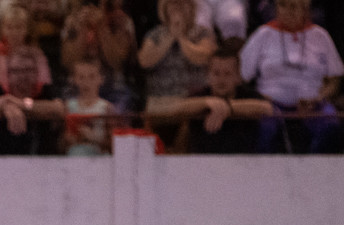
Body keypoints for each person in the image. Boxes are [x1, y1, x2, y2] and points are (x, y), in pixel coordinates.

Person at [240, 0, 342, 154]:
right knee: (264, 128)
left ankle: (314, 171)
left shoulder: (320, 36)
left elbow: (334, 79)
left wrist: (319, 98)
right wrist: (260, 98)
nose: (288, 11)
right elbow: (242, 77)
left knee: (331, 125)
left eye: (294, 6)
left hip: (313, 104)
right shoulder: (263, 34)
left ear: (305, 8)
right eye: (283, 5)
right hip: (270, 104)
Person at [0, 46, 65, 155]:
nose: (22, 76)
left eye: (28, 70)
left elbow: (59, 109)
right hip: (2, 160)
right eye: (16, 71)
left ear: (37, 72)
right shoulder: (0, 91)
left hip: (43, 161)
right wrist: (5, 106)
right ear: (8, 74)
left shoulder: (46, 90)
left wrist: (22, 104)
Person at [174, 45, 272, 153]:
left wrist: (228, 107)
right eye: (216, 73)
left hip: (243, 163)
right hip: (202, 163)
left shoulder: (249, 95)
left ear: (238, 77)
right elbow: (178, 107)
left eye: (227, 74)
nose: (221, 80)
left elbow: (266, 108)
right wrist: (207, 102)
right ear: (208, 75)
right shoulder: (200, 95)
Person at [138, 0, 215, 114]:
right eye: (174, 3)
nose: (178, 7)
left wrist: (181, 38)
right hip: (161, 100)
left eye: (183, 3)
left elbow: (203, 58)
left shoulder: (202, 33)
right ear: (165, 8)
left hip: (193, 100)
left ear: (191, 7)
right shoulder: (155, 34)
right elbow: (144, 61)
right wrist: (171, 36)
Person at [58, 0, 136, 112]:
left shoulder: (122, 21)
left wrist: (101, 26)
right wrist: (82, 29)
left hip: (113, 87)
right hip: (78, 86)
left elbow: (117, 62)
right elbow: (68, 63)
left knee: (119, 108)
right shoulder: (72, 21)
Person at [0, 4, 52, 96]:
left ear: (27, 29)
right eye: (10, 27)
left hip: (32, 102)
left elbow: (44, 83)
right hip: (3, 101)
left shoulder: (36, 55)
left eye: (18, 27)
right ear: (2, 30)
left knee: (57, 106)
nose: (14, 32)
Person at [62, 57, 113, 155]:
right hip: (74, 157)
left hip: (98, 160)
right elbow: (61, 144)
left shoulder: (106, 107)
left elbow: (112, 144)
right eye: (81, 77)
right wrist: (67, 139)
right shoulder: (68, 106)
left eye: (91, 77)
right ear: (74, 79)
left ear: (101, 79)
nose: (86, 82)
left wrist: (94, 138)